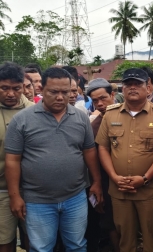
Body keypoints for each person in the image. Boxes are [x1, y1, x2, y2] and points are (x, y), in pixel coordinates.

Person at [5, 67, 103, 252]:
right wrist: (15, 196)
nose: (60, 97)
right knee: (41, 248)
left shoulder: (81, 118)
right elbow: (12, 160)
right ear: (42, 89)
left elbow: (89, 152)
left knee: (77, 245)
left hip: (75, 197)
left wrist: (96, 182)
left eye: (65, 92)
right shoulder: (22, 120)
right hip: (37, 200)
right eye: (54, 92)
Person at [96, 68, 153, 252]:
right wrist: (114, 176)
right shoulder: (110, 114)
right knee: (125, 238)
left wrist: (145, 178)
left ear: (148, 88)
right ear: (122, 89)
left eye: (138, 84)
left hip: (149, 190)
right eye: (128, 84)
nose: (132, 88)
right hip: (120, 189)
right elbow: (103, 147)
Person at [0, 62, 34, 252]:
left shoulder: (35, 112)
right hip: (2, 190)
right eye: (4, 88)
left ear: (23, 87)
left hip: (32, 190)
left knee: (33, 238)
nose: (11, 94)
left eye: (16, 88)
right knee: (4, 240)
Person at [85, 78, 120, 252]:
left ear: (112, 95)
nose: (99, 103)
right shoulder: (93, 126)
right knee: (109, 220)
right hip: (105, 180)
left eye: (103, 98)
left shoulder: (128, 116)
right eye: (95, 100)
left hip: (132, 178)